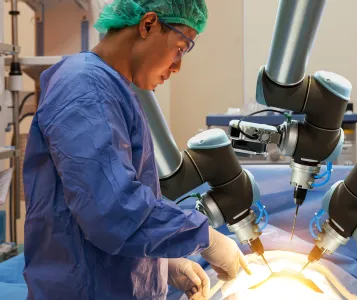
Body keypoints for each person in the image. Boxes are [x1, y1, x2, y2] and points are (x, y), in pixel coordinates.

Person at [22, 0, 250, 299]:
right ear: (148, 24)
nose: (178, 67)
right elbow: (111, 210)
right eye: (180, 48)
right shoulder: (85, 89)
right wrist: (205, 238)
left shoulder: (112, 90)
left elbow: (101, 206)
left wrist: (161, 263)